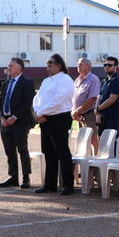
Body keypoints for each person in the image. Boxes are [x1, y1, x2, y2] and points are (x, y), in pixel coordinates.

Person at [32, 54, 76, 195]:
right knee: (48, 152)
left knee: (62, 152)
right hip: (45, 119)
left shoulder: (65, 79)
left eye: (50, 64)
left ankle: (68, 185)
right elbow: (37, 98)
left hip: (59, 118)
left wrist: (40, 113)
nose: (47, 67)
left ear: (58, 65)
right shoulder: (46, 81)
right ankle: (49, 184)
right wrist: (38, 112)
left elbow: (58, 100)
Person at [0, 57, 35, 189]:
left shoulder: (27, 82)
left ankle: (26, 177)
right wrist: (2, 118)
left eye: (11, 66)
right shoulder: (5, 84)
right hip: (5, 123)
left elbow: (27, 102)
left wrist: (15, 117)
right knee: (9, 151)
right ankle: (13, 177)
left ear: (19, 68)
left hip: (20, 122)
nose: (9, 68)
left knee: (22, 150)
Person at [72, 57, 101, 154]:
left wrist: (77, 111)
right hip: (79, 116)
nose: (78, 66)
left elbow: (92, 99)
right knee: (83, 141)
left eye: (80, 64)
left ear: (87, 66)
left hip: (89, 115)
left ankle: (95, 165)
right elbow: (74, 97)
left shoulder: (93, 79)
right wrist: (74, 112)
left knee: (92, 140)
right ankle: (86, 163)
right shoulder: (77, 80)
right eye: (77, 64)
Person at [96, 56, 119, 136]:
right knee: (101, 142)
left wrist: (98, 108)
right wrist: (97, 111)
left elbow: (112, 99)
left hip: (113, 119)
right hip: (102, 118)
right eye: (105, 65)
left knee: (112, 143)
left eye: (109, 65)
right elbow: (99, 97)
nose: (107, 67)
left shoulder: (117, 80)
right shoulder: (104, 81)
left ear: (115, 67)